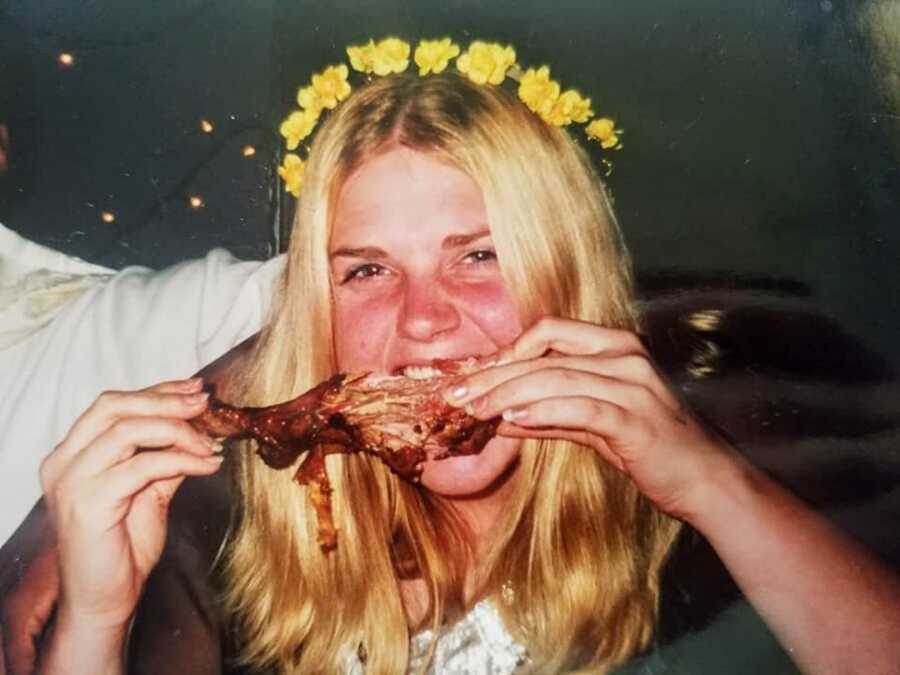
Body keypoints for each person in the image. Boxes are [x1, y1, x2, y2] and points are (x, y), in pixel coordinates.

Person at [27, 61, 900, 674]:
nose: (422, 322)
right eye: (367, 269)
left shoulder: (691, 512)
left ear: (565, 271)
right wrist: (95, 626)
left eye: (479, 255)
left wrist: (713, 486)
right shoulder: (230, 535)